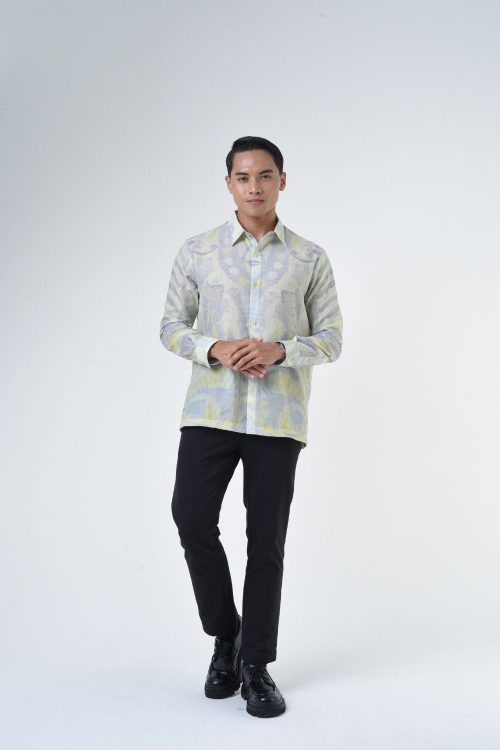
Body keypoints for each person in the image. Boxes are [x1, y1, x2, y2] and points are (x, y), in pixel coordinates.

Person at [159, 136, 343, 718]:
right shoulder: (198, 251)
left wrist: (279, 350)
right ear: (229, 184)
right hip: (210, 411)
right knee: (191, 518)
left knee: (266, 543)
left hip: (278, 418)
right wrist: (215, 347)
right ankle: (226, 638)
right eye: (244, 177)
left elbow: (332, 339)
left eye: (265, 176)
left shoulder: (310, 258)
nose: (255, 187)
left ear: (282, 181)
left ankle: (257, 665)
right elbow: (170, 326)